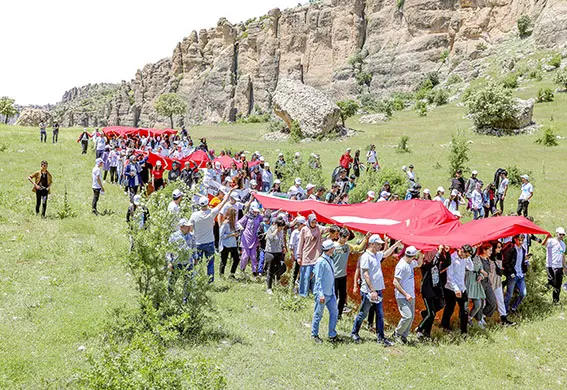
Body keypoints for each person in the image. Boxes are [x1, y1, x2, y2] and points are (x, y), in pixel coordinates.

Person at [351, 235, 402, 346]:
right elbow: (365, 274)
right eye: (378, 244)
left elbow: (385, 253)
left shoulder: (376, 255)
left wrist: (395, 245)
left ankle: (381, 338)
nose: (380, 246)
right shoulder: (366, 257)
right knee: (363, 313)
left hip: (377, 290)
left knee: (380, 314)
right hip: (369, 291)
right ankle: (354, 333)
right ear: (372, 244)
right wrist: (372, 290)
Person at [189, 191, 232, 282]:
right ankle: (210, 281)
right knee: (210, 264)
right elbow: (224, 201)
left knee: (197, 263)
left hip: (198, 243)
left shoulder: (194, 215)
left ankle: (197, 280)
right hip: (209, 242)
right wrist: (230, 191)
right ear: (207, 203)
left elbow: (191, 229)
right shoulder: (211, 213)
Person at [416, 245, 451, 339]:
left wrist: (447, 252)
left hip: (436, 291)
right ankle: (419, 329)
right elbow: (433, 263)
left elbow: (447, 263)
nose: (436, 254)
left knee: (439, 306)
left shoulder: (437, 265)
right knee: (431, 314)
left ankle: (426, 330)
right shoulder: (425, 265)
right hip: (427, 291)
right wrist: (439, 252)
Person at [332, 229, 369, 318]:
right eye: (343, 238)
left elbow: (358, 248)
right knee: (334, 296)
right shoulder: (333, 246)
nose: (345, 240)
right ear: (339, 236)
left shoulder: (347, 247)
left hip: (343, 275)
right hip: (334, 275)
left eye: (347, 238)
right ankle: (332, 314)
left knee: (342, 296)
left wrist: (366, 238)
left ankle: (339, 314)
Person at [393, 246, 423, 344]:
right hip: (402, 296)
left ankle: (404, 336)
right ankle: (397, 334)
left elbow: (419, 264)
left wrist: (422, 253)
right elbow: (395, 282)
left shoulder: (410, 263)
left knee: (411, 317)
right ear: (413, 256)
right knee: (407, 316)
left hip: (411, 295)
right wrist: (405, 294)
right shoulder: (402, 266)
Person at [441, 245, 474, 334]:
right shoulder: (452, 258)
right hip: (451, 288)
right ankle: (444, 326)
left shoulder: (465, 259)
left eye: (467, 256)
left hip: (462, 287)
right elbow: (450, 276)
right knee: (450, 308)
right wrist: (456, 289)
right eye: (465, 255)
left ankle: (464, 331)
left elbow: (471, 268)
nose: (465, 257)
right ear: (460, 251)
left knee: (465, 309)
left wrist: (468, 257)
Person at [311, 239, 339, 343]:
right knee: (318, 314)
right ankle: (314, 335)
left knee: (334, 313)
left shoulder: (330, 259)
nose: (334, 249)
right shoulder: (320, 262)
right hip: (322, 294)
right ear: (330, 249)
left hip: (331, 294)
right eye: (333, 247)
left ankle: (332, 334)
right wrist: (320, 294)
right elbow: (317, 279)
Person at [297, 214, 330, 297]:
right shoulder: (304, 230)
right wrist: (299, 256)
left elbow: (327, 229)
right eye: (312, 222)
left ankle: (313, 292)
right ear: (309, 221)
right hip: (306, 256)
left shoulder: (318, 228)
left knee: (315, 276)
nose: (314, 223)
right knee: (305, 276)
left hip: (316, 256)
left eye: (315, 222)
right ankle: (303, 293)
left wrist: (335, 224)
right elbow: (300, 244)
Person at [166, 218, 196, 299]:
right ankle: (170, 297)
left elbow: (194, 247)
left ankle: (185, 300)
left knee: (188, 282)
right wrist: (169, 262)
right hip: (177, 262)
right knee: (172, 281)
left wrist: (195, 258)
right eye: (186, 227)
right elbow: (169, 250)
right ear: (181, 227)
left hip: (188, 263)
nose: (189, 228)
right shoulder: (174, 236)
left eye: (189, 226)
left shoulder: (191, 236)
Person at [490, 241, 515, 325]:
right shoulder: (489, 257)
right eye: (498, 247)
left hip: (497, 282)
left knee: (500, 300)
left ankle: (504, 319)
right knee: (486, 302)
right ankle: (480, 319)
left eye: (501, 247)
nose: (500, 249)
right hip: (490, 282)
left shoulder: (499, 257)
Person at [503, 235, 528, 313]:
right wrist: (511, 273)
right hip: (513, 275)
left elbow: (522, 262)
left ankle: (513, 308)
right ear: (515, 239)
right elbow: (506, 263)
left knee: (523, 293)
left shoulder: (523, 250)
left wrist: (524, 270)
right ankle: (505, 311)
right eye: (519, 240)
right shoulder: (511, 249)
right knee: (509, 295)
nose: (520, 242)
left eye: (522, 240)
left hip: (520, 275)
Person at [237, 203, 263, 276]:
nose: (256, 213)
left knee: (254, 256)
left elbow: (266, 218)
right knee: (245, 256)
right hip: (246, 238)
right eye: (254, 211)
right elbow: (238, 222)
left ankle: (254, 271)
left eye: (257, 211)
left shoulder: (259, 217)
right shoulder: (247, 217)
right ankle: (242, 269)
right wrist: (240, 227)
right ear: (251, 210)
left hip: (254, 238)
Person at [467, 246, 488, 328]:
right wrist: (480, 271)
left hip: (476, 283)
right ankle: (464, 322)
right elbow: (471, 268)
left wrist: (481, 276)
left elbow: (482, 270)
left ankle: (470, 318)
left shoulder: (477, 258)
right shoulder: (466, 258)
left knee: (478, 304)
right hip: (468, 282)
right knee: (466, 305)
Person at [543, 227, 566, 304]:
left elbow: (563, 255)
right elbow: (543, 244)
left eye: (563, 234)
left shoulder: (563, 244)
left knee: (558, 285)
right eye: (560, 234)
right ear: (556, 233)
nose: (561, 236)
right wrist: (546, 237)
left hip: (559, 266)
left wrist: (565, 266)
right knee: (551, 282)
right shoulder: (551, 241)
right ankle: (542, 291)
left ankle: (555, 301)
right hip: (550, 265)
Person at [264, 217, 287, 294]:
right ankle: (269, 288)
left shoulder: (281, 231)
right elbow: (269, 238)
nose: (281, 229)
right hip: (270, 252)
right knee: (270, 269)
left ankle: (275, 278)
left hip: (279, 252)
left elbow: (281, 239)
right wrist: (276, 231)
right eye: (281, 227)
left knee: (283, 267)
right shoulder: (271, 229)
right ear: (277, 225)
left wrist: (283, 247)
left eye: (282, 227)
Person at [219, 208, 240, 279]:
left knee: (236, 259)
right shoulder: (225, 223)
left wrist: (236, 234)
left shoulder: (233, 223)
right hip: (225, 245)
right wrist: (231, 235)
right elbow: (221, 236)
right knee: (223, 261)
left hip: (233, 244)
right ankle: (221, 275)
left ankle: (232, 274)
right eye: (234, 215)